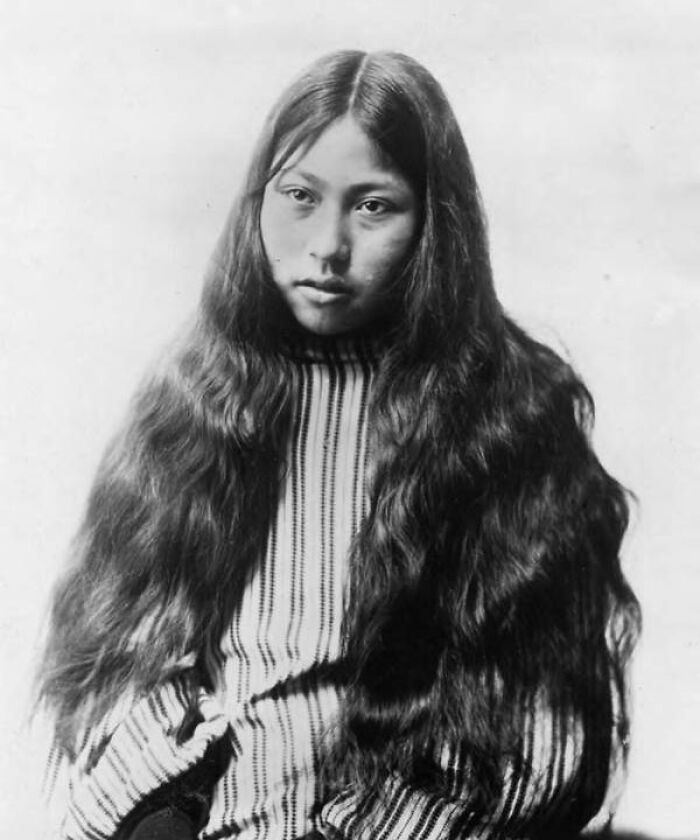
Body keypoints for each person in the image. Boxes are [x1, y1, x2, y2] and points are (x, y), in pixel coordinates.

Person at [37, 50, 640, 840]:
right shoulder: (192, 400)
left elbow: (542, 737)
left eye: (373, 206)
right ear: (257, 205)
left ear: (435, 223)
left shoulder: (514, 416)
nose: (327, 245)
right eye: (298, 197)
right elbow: (126, 671)